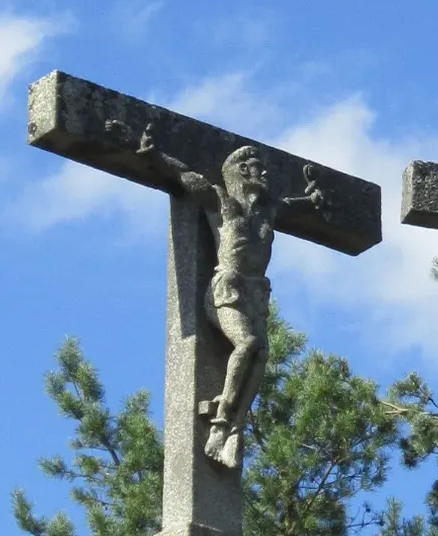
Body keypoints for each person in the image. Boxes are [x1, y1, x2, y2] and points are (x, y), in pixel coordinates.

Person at [112, 122, 322, 467]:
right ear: (238, 172)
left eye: (261, 167)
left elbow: (300, 205)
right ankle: (221, 420)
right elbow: (188, 176)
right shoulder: (223, 203)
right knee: (248, 344)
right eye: (253, 167)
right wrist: (154, 155)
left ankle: (234, 429)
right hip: (227, 289)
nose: (262, 172)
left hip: (255, 291)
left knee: (262, 355)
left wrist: (313, 198)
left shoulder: (269, 211)